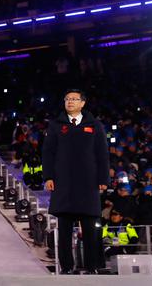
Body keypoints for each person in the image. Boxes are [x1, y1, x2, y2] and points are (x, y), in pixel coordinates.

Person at [42, 89, 110, 274]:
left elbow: (102, 154)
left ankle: (91, 266)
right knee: (64, 229)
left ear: (82, 103)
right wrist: (48, 177)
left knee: (90, 229)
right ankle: (66, 267)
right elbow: (48, 153)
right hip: (63, 184)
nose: (70, 102)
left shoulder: (95, 125)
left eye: (74, 99)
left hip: (88, 184)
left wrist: (103, 179)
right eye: (67, 99)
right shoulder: (56, 125)